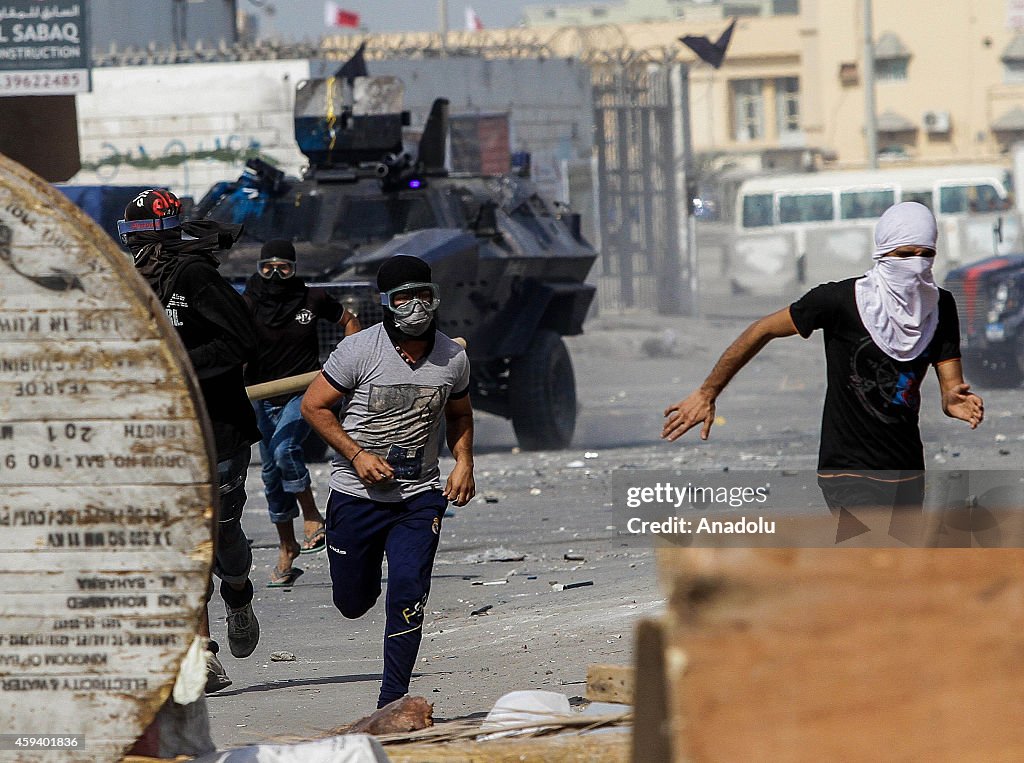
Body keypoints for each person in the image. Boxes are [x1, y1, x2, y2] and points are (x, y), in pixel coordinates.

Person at [662, 201, 984, 516]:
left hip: (906, 469)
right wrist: (708, 392)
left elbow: (950, 388)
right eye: (904, 255)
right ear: (883, 252)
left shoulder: (940, 307)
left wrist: (953, 402)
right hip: (846, 470)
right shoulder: (839, 301)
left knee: (900, 568)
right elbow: (762, 329)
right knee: (868, 560)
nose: (916, 265)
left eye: (926, 254)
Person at [301, 254, 475, 709]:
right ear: (386, 303)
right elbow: (314, 406)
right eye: (404, 297)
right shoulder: (359, 351)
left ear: (435, 299)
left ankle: (392, 701)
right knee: (353, 602)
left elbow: (459, 414)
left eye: (424, 295)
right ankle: (364, 575)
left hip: (418, 498)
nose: (415, 306)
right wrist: (357, 455)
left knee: (409, 589)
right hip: (356, 497)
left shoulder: (452, 358)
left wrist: (464, 462)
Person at [119, 189, 262, 693]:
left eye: (138, 236)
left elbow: (243, 339)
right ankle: (203, 654)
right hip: (165, 433)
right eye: (127, 236)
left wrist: (183, 367)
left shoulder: (194, 276)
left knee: (223, 536)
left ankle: (239, 592)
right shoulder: (135, 285)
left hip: (219, 427)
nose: (132, 246)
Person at [242, 239, 361, 587]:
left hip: (304, 391)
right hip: (262, 396)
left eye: (284, 268)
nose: (276, 275)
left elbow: (349, 321)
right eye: (268, 268)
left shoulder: (313, 299)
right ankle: (287, 546)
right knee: (269, 476)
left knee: (285, 451)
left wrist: (347, 359)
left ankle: (311, 515)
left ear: (295, 270)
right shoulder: (247, 303)